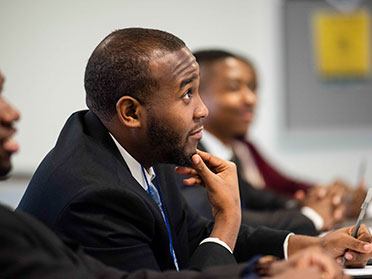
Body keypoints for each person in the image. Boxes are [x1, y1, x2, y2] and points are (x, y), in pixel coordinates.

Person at [17, 28, 372, 274]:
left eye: (199, 91)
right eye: (187, 94)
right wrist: (228, 221)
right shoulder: (93, 197)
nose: (202, 109)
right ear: (131, 113)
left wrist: (314, 246)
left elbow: (190, 233)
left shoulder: (146, 150)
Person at [178, 49, 344, 235]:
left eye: (253, 88)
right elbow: (217, 219)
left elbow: (255, 197)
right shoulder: (184, 153)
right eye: (234, 88)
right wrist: (311, 217)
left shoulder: (228, 152)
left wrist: (302, 204)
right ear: (196, 94)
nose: (251, 99)